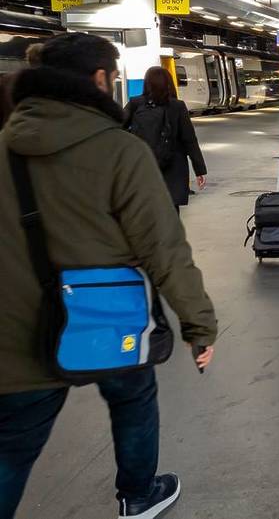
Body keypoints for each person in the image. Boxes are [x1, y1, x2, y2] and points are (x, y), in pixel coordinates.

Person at [0, 33, 217, 519]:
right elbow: (164, 248)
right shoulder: (120, 151)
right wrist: (199, 324)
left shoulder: (5, 147)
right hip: (105, 319)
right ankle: (138, 494)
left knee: (11, 447)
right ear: (99, 79)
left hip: (14, 331)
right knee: (133, 393)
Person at [124, 67, 207, 213]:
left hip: (143, 166)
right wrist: (199, 169)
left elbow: (117, 128)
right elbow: (189, 140)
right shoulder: (177, 106)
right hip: (172, 168)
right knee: (171, 214)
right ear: (169, 83)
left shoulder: (136, 103)